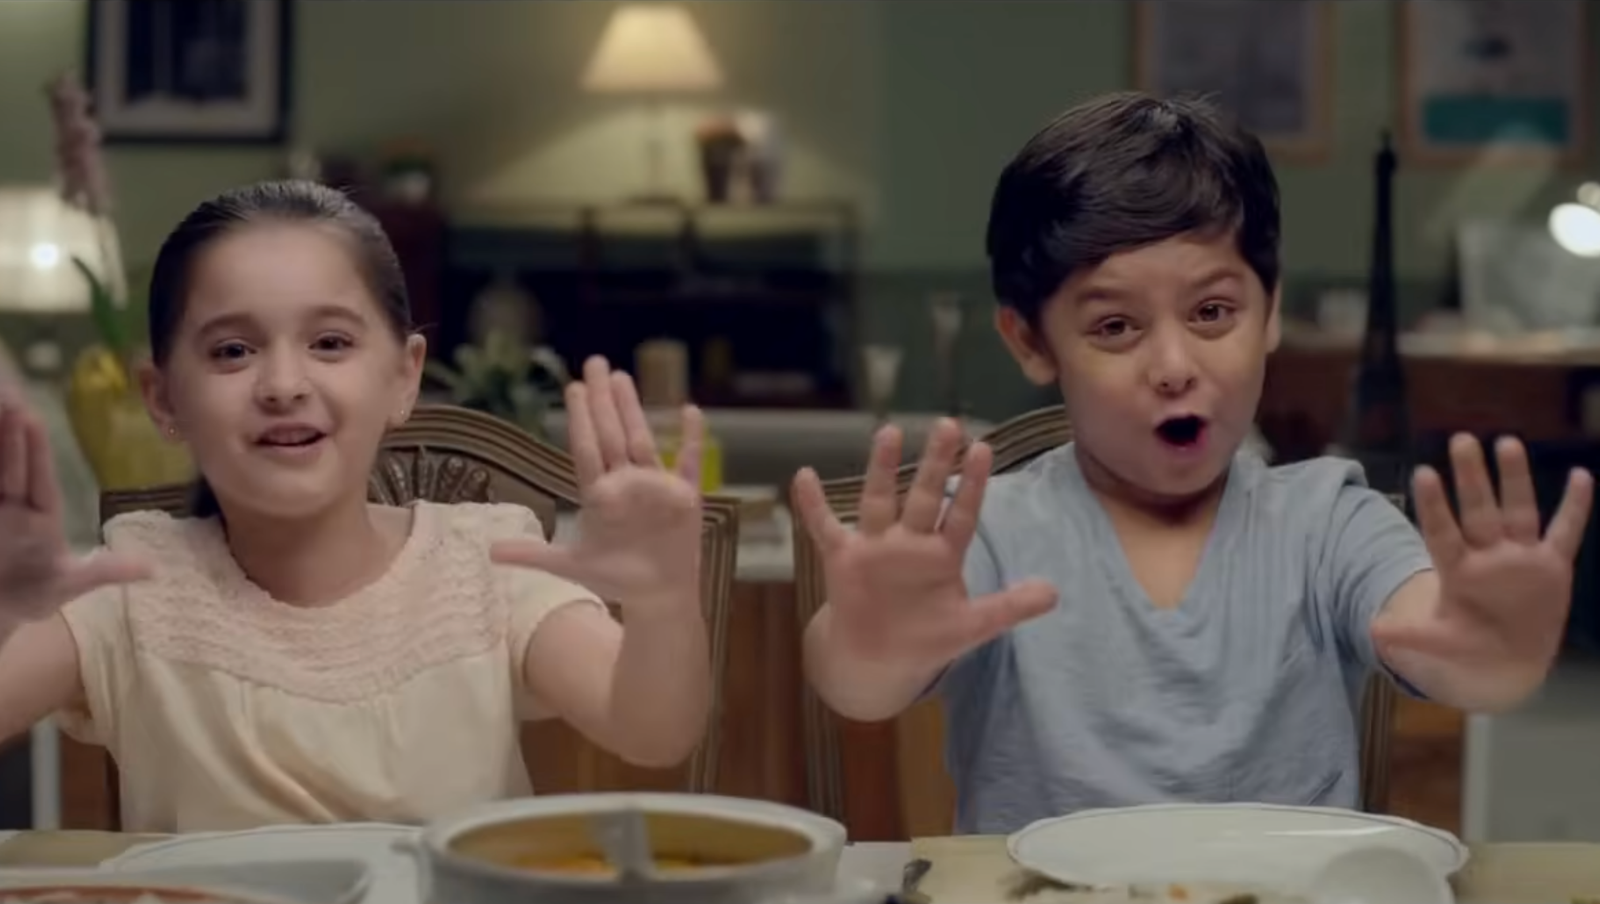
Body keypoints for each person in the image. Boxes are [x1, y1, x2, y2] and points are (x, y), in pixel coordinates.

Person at [794, 92, 1593, 834]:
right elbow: (855, 685)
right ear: (1031, 342)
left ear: (1270, 310)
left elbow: (1453, 654)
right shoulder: (988, 533)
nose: (1175, 367)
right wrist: (874, 643)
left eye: (1213, 312)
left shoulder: (1330, 520)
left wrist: (1495, 647)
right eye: (1115, 327)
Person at [0, 180, 711, 832]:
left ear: (404, 376)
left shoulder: (484, 562)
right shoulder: (132, 586)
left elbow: (652, 730)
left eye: (330, 343)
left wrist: (664, 602)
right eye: (233, 351)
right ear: (163, 399)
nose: (283, 383)